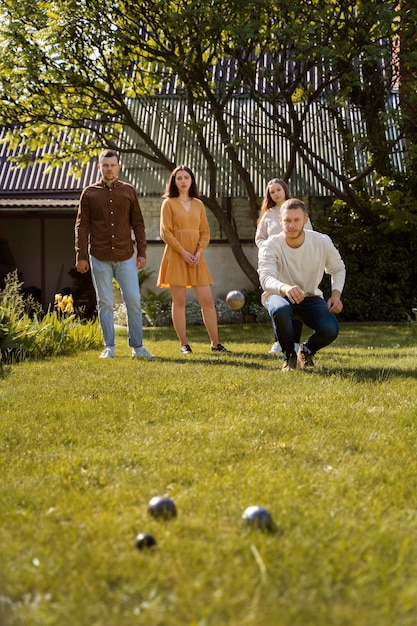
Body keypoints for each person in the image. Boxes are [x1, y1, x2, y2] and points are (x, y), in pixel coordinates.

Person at [74, 149, 154, 359]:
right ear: (99, 167)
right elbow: (82, 227)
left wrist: (142, 252)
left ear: (119, 166)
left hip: (126, 255)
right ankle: (109, 346)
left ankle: (137, 347)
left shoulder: (128, 191)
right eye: (105, 165)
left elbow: (138, 223)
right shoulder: (89, 193)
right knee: (105, 303)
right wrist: (80, 255)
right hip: (99, 255)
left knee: (134, 301)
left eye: (113, 165)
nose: (109, 168)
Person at [258, 198, 345, 371]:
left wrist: (336, 295)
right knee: (279, 309)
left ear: (305, 220)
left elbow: (338, 268)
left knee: (331, 329)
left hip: (310, 297)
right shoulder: (270, 246)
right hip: (280, 296)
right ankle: (289, 357)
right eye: (287, 220)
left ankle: (306, 352)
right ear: (280, 220)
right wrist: (285, 288)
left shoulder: (322, 241)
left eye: (296, 220)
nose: (291, 225)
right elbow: (266, 279)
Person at [157, 165, 229, 354]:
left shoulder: (199, 204)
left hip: (197, 257)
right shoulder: (168, 203)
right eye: (178, 178)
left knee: (207, 300)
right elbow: (165, 232)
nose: (182, 181)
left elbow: (205, 232)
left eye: (186, 177)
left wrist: (199, 251)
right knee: (179, 301)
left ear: (191, 180)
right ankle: (184, 344)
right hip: (176, 254)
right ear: (174, 181)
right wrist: (182, 251)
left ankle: (215, 344)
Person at [255, 179, 313, 354]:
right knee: (277, 303)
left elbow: (309, 234)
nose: (276, 194)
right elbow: (259, 239)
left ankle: (295, 342)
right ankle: (279, 341)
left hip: (295, 263)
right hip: (275, 266)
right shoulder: (267, 215)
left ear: (284, 190)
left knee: (296, 299)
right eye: (272, 192)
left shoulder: (296, 209)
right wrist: (268, 252)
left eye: (278, 190)